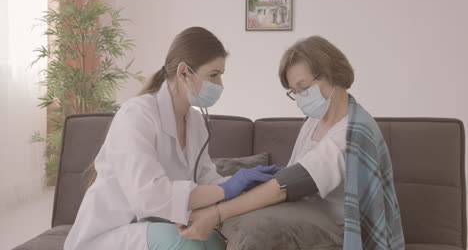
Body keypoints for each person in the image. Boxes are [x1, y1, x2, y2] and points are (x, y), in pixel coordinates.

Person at [64, 27, 281, 250]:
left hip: (157, 225)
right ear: (184, 72)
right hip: (113, 232)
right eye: (213, 75)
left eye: (221, 75)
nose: (220, 85)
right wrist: (226, 190)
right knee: (188, 245)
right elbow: (149, 196)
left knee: (215, 243)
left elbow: (205, 181)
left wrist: (243, 184)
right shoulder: (136, 115)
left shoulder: (195, 122)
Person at [179, 35, 405, 250]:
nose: (299, 97)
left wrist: (217, 214)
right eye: (294, 91)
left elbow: (288, 186)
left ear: (332, 74)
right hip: (304, 212)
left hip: (337, 227)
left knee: (253, 231)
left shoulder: (352, 133)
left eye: (304, 88)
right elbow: (292, 176)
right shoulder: (314, 120)